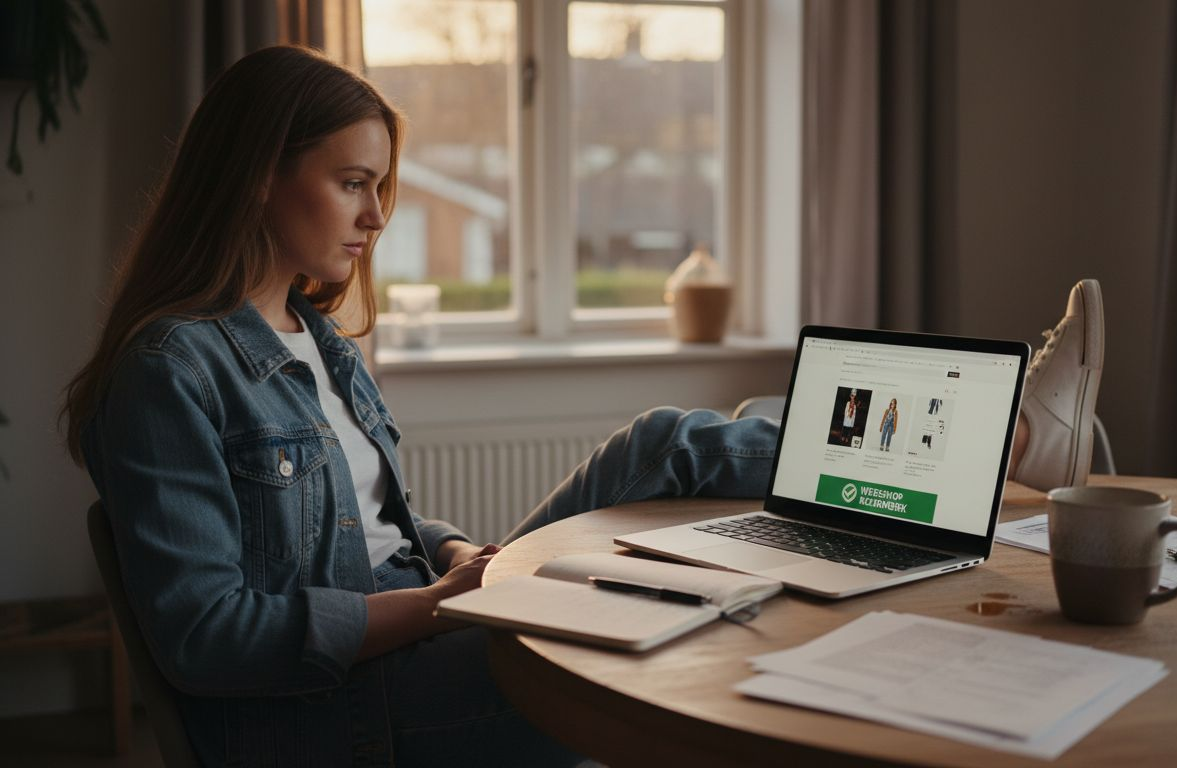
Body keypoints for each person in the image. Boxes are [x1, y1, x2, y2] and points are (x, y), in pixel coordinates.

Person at [60, 46, 1103, 767]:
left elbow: (364, 522)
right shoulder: (172, 371)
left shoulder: (312, 334)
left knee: (664, 442)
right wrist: (433, 606)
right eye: (352, 184)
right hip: (331, 714)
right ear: (256, 178)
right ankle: (981, 453)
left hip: (422, 619)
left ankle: (979, 444)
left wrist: (455, 547)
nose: (378, 216)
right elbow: (207, 635)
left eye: (382, 187)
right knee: (705, 628)